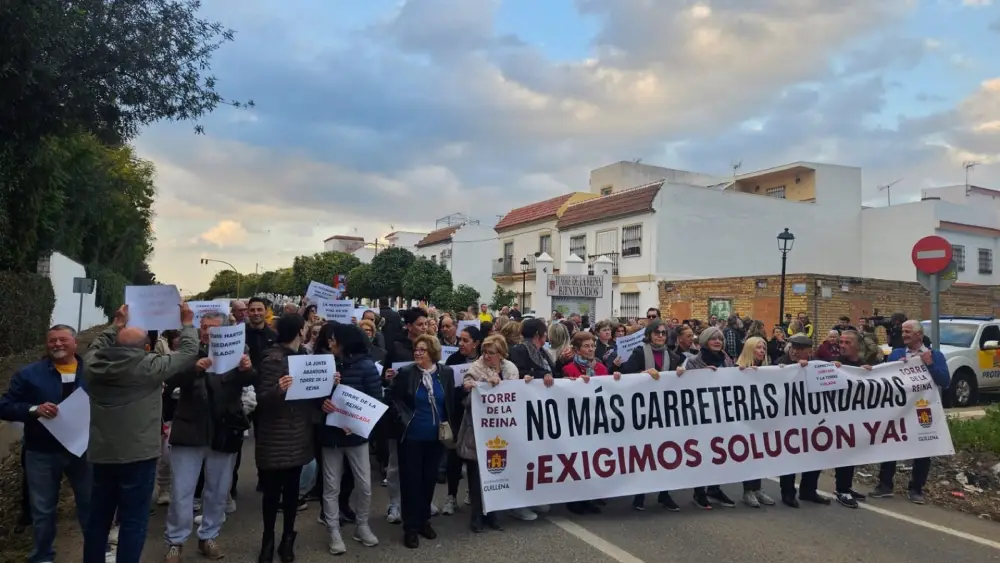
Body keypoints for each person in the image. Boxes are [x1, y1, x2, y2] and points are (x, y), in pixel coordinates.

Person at [82, 304, 200, 563]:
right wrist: (188, 323)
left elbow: (93, 347)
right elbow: (190, 351)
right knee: (134, 521)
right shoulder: (150, 367)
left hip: (102, 455)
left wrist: (115, 324)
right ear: (146, 348)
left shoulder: (92, 366)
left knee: (98, 520)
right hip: (138, 456)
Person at [163, 311, 255, 562]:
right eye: (203, 326)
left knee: (217, 490)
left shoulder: (236, 354)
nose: (206, 331)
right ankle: (176, 541)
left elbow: (247, 381)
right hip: (189, 430)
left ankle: (209, 536)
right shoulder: (188, 352)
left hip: (223, 432)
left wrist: (247, 369)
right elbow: (169, 381)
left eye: (212, 327)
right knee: (182, 490)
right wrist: (194, 369)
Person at [0, 325, 93, 563]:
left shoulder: (93, 372)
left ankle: (95, 553)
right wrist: (33, 409)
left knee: (91, 504)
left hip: (84, 450)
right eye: (52, 341)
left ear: (75, 342)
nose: (57, 344)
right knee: (42, 509)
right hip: (41, 451)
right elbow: (5, 405)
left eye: (63, 339)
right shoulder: (29, 374)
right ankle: (42, 556)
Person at [255, 314, 320, 562]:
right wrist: (278, 390)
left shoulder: (304, 358)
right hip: (275, 436)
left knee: (292, 494)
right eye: (304, 328)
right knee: (271, 495)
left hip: (298, 434)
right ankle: (268, 540)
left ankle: (287, 539)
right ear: (299, 330)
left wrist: (328, 383)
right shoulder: (273, 358)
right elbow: (262, 398)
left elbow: (313, 394)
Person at [318, 322, 383, 554]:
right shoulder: (326, 365)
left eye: (333, 339)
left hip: (357, 437)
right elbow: (313, 396)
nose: (329, 342)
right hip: (331, 436)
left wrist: (359, 426)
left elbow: (376, 403)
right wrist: (322, 402)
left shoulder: (366, 367)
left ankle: (362, 525)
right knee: (331, 486)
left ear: (344, 341)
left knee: (364, 485)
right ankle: (333, 531)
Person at [869, 320, 950, 505]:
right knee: (890, 445)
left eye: (907, 332)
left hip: (923, 410)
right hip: (899, 410)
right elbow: (883, 378)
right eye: (903, 331)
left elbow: (945, 381)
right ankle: (884, 485)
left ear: (919, 335)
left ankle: (916, 489)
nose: (904, 334)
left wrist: (929, 364)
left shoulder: (934, 355)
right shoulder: (897, 354)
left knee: (923, 448)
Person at [392, 334, 455, 549]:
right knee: (411, 482)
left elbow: (450, 401)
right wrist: (402, 419)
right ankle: (410, 527)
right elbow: (394, 398)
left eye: (423, 350)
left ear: (433, 353)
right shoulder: (406, 373)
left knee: (429, 479)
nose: (418, 353)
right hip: (411, 436)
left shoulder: (445, 373)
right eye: (416, 349)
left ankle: (423, 520)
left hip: (435, 437)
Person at [459, 335, 518, 532]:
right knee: (476, 476)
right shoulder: (475, 369)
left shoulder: (510, 369)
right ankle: (477, 515)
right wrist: (473, 389)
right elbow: (465, 400)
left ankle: (493, 514)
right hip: (477, 432)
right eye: (484, 352)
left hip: (501, 431)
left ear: (501, 354)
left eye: (491, 353)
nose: (486, 356)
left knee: (498, 472)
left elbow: (516, 397)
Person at [681, 326, 737, 510]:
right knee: (702, 452)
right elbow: (685, 385)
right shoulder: (694, 361)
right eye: (713, 339)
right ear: (705, 341)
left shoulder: (727, 360)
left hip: (721, 414)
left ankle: (714, 488)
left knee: (719, 452)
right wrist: (702, 374)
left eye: (720, 339)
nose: (717, 342)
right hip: (701, 415)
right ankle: (699, 492)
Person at [775, 334, 829, 509]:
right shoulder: (780, 363)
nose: (796, 352)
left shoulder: (816, 364)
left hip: (812, 418)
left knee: (816, 455)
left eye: (800, 349)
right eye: (793, 348)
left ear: (809, 351)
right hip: (788, 419)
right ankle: (788, 493)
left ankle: (809, 490)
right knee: (790, 456)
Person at [831, 330, 875, 509]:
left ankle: (846, 486)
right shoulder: (835, 364)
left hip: (857, 417)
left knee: (852, 454)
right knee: (843, 453)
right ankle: (842, 490)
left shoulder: (864, 364)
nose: (842, 345)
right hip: (837, 418)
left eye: (847, 343)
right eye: (841, 342)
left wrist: (868, 374)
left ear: (857, 345)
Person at [734, 337, 776, 508]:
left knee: (760, 455)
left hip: (762, 419)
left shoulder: (767, 369)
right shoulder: (738, 369)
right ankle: (748, 491)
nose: (762, 351)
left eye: (764, 348)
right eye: (758, 348)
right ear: (750, 349)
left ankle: (757, 488)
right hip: (745, 419)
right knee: (749, 455)